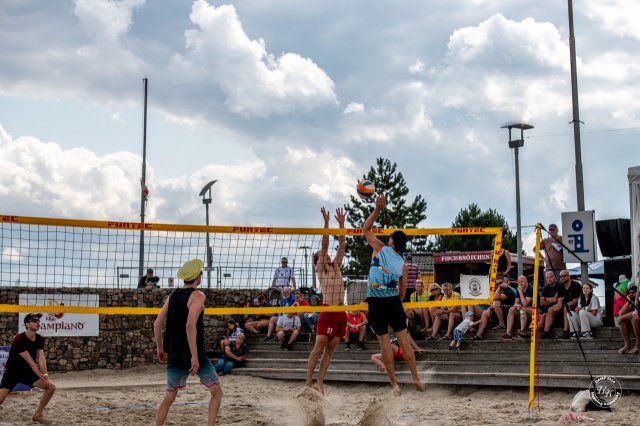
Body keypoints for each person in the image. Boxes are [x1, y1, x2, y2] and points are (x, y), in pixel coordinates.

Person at [363, 195, 424, 394]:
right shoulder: (403, 265)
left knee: (384, 342)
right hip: (392, 301)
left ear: (391, 241)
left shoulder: (380, 248)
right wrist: (395, 297)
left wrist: (377, 209)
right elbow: (403, 292)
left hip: (376, 301)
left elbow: (365, 229)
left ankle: (394, 384)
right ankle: (416, 379)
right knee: (403, 339)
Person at [153, 259, 221, 426]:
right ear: (198, 276)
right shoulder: (198, 295)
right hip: (193, 352)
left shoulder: (172, 296)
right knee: (216, 391)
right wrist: (195, 356)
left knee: (169, 396)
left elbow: (157, 324)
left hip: (174, 352)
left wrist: (160, 349)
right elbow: (190, 325)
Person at [305, 207, 348, 395]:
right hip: (328, 310)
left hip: (341, 312)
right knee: (319, 345)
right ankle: (308, 382)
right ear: (318, 261)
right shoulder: (321, 270)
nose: (328, 256)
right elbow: (324, 246)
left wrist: (341, 225)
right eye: (323, 256)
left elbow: (342, 245)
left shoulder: (336, 266)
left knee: (330, 350)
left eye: (329, 255)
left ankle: (319, 384)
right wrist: (326, 223)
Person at [0, 313, 56, 424]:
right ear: (27, 324)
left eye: (38, 321)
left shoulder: (39, 339)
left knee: (51, 388)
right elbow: (32, 363)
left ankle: (37, 415)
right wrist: (43, 378)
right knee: (0, 400)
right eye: (34, 320)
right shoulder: (19, 339)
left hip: (27, 373)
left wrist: (46, 377)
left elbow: (41, 359)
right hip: (12, 372)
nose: (38, 322)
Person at [502, 275, 534, 340]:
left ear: (526, 282)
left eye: (522, 281)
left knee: (522, 309)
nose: (520, 283)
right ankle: (508, 333)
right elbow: (516, 302)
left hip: (535, 310)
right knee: (512, 309)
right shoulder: (519, 289)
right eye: (519, 282)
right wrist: (517, 305)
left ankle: (522, 331)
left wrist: (520, 292)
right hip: (523, 310)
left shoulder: (530, 288)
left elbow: (525, 304)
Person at [557, 269, 582, 339]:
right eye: (560, 276)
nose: (562, 278)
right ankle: (545, 332)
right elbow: (559, 301)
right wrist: (556, 307)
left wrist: (564, 305)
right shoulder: (561, 287)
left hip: (577, 307)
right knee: (550, 310)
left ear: (568, 276)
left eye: (564, 276)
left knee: (566, 309)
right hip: (566, 306)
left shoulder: (576, 285)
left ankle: (565, 332)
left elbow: (576, 301)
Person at [616, 283, 640, 354]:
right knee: (622, 321)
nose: (631, 294)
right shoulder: (630, 302)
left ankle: (638, 345)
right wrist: (628, 301)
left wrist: (621, 317)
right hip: (635, 330)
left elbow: (635, 313)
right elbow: (620, 313)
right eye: (629, 293)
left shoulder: (638, 300)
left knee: (634, 318)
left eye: (633, 292)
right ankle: (627, 344)